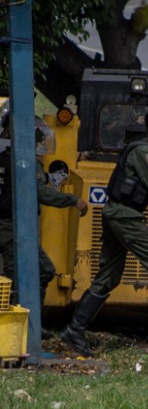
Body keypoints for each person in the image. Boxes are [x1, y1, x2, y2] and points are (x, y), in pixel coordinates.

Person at [60, 103, 148, 357]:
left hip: (117, 213)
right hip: (126, 217)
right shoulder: (145, 152)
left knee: (109, 276)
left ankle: (74, 330)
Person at [0, 116, 88, 328]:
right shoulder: (23, 162)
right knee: (23, 278)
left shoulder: (6, 159)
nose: (40, 144)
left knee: (39, 272)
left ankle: (30, 326)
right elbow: (39, 192)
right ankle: (22, 329)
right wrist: (73, 200)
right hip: (12, 228)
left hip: (13, 227)